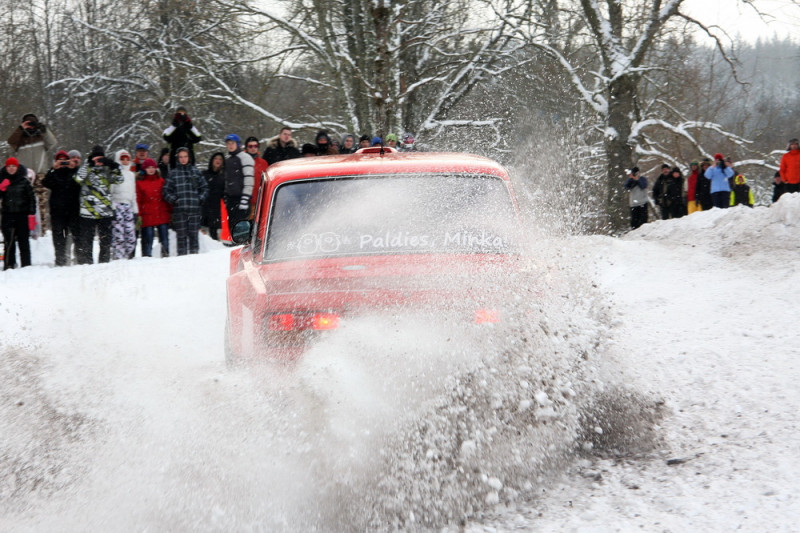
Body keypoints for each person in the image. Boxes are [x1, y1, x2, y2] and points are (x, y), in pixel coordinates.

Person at [7, 113, 57, 232]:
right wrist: (20, 128)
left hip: (40, 174)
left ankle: (42, 231)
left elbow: (53, 143)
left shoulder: (41, 136)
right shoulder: (20, 139)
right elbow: (11, 142)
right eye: (27, 123)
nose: (30, 125)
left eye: (32, 123)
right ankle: (23, 230)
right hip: (24, 176)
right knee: (23, 204)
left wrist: (44, 129)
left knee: (41, 204)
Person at [74, 145, 123, 264]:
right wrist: (89, 164)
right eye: (96, 158)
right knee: (87, 240)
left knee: (105, 240)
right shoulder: (87, 168)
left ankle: (104, 262)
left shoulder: (107, 169)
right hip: (88, 211)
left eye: (101, 159)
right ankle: (87, 263)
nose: (99, 161)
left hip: (105, 211)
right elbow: (78, 179)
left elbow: (119, 180)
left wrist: (113, 166)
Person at [164, 147, 207, 255]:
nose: (183, 159)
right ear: (178, 158)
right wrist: (175, 200)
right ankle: (181, 262)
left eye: (185, 156)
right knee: (181, 238)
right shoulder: (173, 173)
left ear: (189, 157)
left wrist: (199, 199)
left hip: (194, 210)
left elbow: (205, 188)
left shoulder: (196, 172)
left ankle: (194, 261)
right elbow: (166, 191)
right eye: (181, 157)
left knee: (194, 238)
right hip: (180, 211)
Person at [42, 150, 81, 266]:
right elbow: (46, 182)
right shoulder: (54, 173)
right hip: (57, 211)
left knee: (77, 235)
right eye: (60, 160)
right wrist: (53, 168)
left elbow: (80, 182)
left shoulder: (73, 172)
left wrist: (73, 167)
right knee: (58, 236)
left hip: (73, 210)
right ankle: (60, 260)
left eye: (65, 160)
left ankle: (79, 258)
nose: (63, 163)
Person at [0, 157, 36, 269]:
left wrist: (31, 214)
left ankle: (26, 265)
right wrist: (1, 189)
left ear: (17, 167)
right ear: (6, 168)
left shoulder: (24, 181)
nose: (11, 169)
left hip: (22, 216)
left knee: (23, 241)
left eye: (13, 166)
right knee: (9, 242)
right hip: (7, 215)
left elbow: (32, 198)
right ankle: (9, 265)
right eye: (9, 166)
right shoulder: (2, 180)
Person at [136, 158, 171, 257]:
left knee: (164, 238)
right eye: (148, 168)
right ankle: (147, 257)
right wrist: (139, 214)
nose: (151, 169)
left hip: (162, 213)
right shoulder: (140, 183)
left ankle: (166, 256)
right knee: (148, 238)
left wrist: (170, 211)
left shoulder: (161, 181)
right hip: (148, 214)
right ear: (144, 169)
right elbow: (138, 200)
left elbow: (166, 196)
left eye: (153, 167)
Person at [111, 150, 139, 260]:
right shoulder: (114, 173)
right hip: (117, 205)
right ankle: (118, 256)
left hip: (128, 206)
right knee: (119, 233)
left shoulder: (131, 175)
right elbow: (111, 191)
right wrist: (112, 207)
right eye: (122, 159)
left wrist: (135, 210)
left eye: (127, 159)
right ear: (118, 160)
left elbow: (133, 194)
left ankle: (128, 255)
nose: (125, 161)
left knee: (130, 233)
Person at [223, 134, 254, 228]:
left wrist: (245, 199)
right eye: (228, 143)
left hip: (241, 199)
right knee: (232, 227)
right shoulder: (227, 159)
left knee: (241, 229)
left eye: (232, 143)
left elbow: (249, 180)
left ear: (238, 144)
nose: (230, 145)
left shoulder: (245, 158)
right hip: (230, 199)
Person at [202, 152, 226, 240]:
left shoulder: (224, 176)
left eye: (220, 159)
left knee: (214, 235)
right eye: (216, 158)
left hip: (217, 208)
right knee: (203, 235)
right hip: (204, 207)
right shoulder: (204, 174)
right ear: (212, 160)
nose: (218, 161)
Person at [244, 136, 268, 213]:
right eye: (250, 146)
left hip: (260, 200)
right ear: (246, 148)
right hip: (245, 201)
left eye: (255, 146)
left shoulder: (263, 163)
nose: (253, 148)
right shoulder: (241, 161)